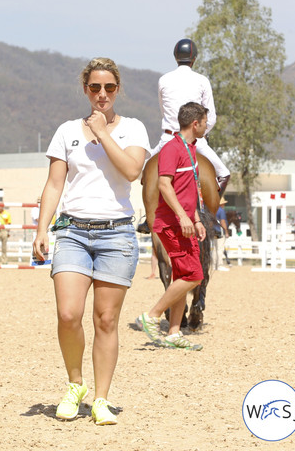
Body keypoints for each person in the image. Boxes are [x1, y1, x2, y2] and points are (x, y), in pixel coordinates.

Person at [32, 58, 150, 425]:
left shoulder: (133, 129)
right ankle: (75, 384)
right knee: (68, 314)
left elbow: (132, 171)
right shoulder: (66, 131)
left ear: (119, 90)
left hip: (116, 234)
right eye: (95, 87)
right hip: (72, 231)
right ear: (85, 89)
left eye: (109, 88)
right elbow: (54, 184)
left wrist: (102, 133)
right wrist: (41, 228)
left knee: (106, 319)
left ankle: (101, 398)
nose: (102, 94)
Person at [137, 102, 209, 352]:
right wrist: (182, 217)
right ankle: (153, 315)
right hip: (171, 225)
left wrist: (197, 219)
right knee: (195, 275)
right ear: (195, 123)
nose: (207, 126)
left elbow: (190, 190)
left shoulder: (190, 149)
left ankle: (174, 332)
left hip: (187, 224)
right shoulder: (171, 149)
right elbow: (165, 185)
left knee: (183, 275)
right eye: (205, 121)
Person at [151, 38, 230, 194]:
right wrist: (200, 133)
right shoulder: (202, 80)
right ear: (194, 58)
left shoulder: (163, 80)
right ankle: (210, 214)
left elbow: (164, 112)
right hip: (195, 141)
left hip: (167, 139)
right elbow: (211, 118)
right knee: (224, 174)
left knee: (140, 171)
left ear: (175, 57)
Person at [215, 197, 230, 271]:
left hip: (213, 231)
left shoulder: (212, 210)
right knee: (219, 249)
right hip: (220, 231)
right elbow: (223, 222)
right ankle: (219, 265)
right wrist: (226, 231)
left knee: (214, 249)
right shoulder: (221, 211)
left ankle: (214, 265)